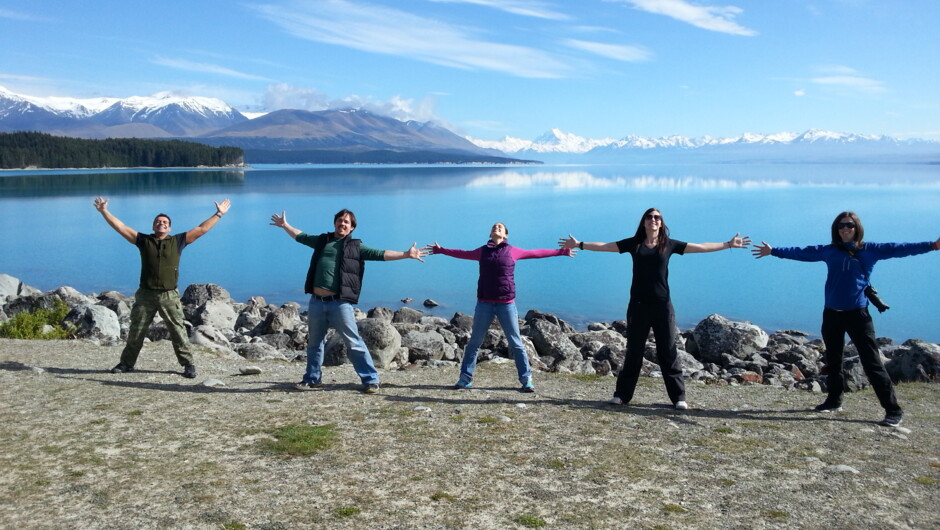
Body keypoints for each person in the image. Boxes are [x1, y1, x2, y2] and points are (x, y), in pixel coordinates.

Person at [752, 211, 939, 427]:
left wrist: (932, 245)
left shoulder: (870, 251)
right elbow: (803, 253)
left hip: (858, 315)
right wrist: (774, 251)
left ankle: (893, 410)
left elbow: (900, 248)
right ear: (836, 229)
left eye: (849, 225)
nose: (845, 229)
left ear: (856, 228)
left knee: (872, 364)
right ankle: (834, 400)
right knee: (833, 360)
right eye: (841, 226)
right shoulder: (830, 251)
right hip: (831, 314)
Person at [560, 208, 750, 409]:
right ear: (643, 222)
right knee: (634, 351)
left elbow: (701, 247)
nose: (653, 220)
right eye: (649, 217)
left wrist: (728, 244)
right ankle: (622, 395)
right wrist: (579, 244)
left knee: (668, 351)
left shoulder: (668, 244)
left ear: (661, 223)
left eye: (657, 218)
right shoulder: (634, 244)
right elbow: (607, 246)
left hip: (662, 306)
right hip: (638, 306)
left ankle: (678, 398)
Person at [270, 209, 426, 393]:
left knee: (353, 342)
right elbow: (301, 236)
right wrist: (285, 225)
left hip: (340, 303)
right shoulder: (322, 241)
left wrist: (406, 254)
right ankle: (312, 379)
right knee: (314, 343)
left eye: (347, 222)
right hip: (317, 302)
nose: (342, 224)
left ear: (351, 227)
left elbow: (380, 254)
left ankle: (371, 380)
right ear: (335, 223)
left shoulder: (356, 247)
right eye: (340, 220)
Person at [424, 222, 575, 393]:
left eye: (500, 227)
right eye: (494, 226)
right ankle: (465, 379)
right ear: (490, 233)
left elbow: (536, 253)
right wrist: (441, 250)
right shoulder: (482, 251)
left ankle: (527, 381)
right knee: (474, 343)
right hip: (484, 304)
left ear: (505, 235)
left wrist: (562, 251)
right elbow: (462, 254)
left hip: (506, 305)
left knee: (516, 343)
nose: (496, 227)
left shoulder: (512, 251)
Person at [94, 197, 231, 378]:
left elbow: (202, 229)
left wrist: (219, 213)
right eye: (158, 222)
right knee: (136, 330)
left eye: (165, 222)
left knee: (178, 330)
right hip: (145, 294)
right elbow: (121, 227)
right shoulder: (143, 241)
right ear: (153, 226)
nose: (161, 224)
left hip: (169, 295)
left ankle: (188, 364)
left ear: (170, 228)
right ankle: (127, 363)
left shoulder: (178, 241)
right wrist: (104, 211)